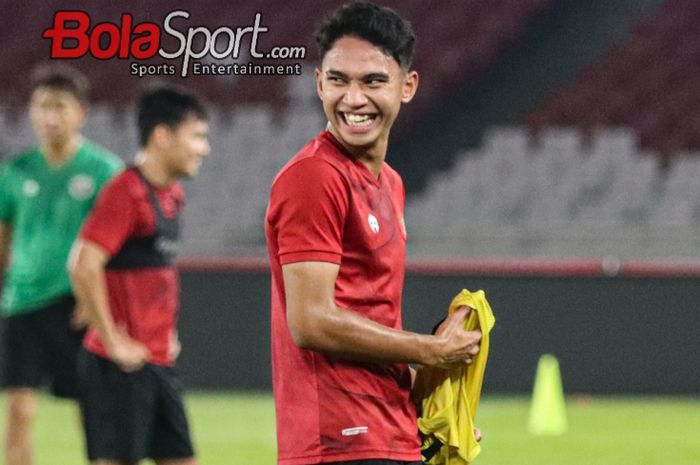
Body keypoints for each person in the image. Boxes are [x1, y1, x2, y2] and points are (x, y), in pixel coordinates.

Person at [264, 3, 482, 464]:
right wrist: (431, 350)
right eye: (339, 80)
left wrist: (423, 407)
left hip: (386, 431)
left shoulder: (392, 184)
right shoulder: (314, 178)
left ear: (408, 86)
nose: (353, 99)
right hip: (337, 441)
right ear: (319, 83)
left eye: (373, 81)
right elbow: (311, 321)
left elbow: (371, 316)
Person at [68, 86, 210, 465]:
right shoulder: (125, 192)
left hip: (158, 362)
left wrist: (168, 332)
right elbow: (83, 263)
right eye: (196, 136)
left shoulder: (171, 195)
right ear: (163, 136)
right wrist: (113, 339)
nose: (204, 148)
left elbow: (154, 273)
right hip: (119, 368)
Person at [0, 63, 123, 465]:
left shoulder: (104, 171)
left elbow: (118, 246)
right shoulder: (15, 172)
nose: (50, 117)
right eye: (41, 107)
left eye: (60, 107)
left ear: (80, 113)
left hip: (75, 305)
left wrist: (97, 301)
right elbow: (3, 237)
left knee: (90, 408)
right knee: (18, 411)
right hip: (21, 306)